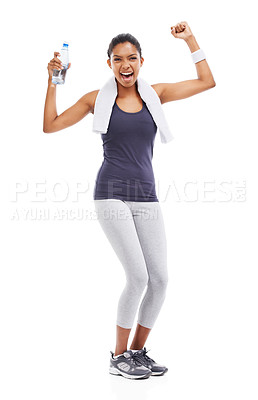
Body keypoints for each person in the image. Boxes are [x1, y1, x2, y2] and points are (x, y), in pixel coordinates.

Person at [43, 21, 216, 380]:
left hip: (147, 196)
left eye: (132, 58)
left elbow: (206, 82)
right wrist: (52, 81)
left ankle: (136, 352)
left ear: (141, 61)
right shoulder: (96, 99)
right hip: (110, 194)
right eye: (118, 59)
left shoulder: (157, 93)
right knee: (137, 277)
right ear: (109, 63)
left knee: (161, 280)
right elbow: (51, 125)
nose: (126, 65)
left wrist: (190, 40)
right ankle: (118, 356)